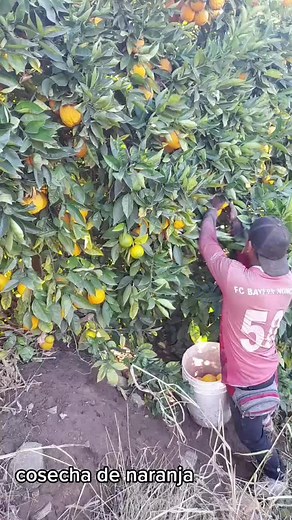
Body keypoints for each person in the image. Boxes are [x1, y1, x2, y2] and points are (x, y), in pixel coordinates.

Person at [199, 197, 292, 496]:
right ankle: (265, 420)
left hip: (246, 380)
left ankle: (276, 477)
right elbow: (253, 262)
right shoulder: (287, 281)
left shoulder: (235, 279)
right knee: (258, 419)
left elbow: (207, 244)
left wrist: (212, 211)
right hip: (266, 369)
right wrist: (238, 227)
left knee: (250, 436)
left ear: (251, 248)